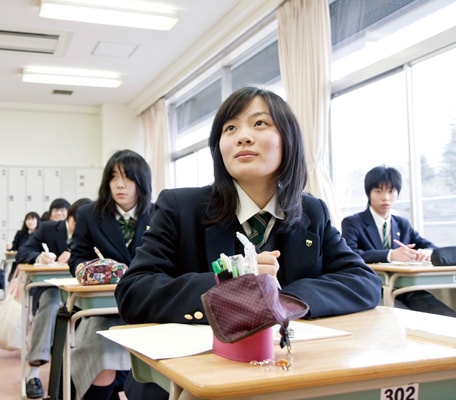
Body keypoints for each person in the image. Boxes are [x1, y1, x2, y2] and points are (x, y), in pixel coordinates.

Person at [114, 87, 382, 400]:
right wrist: (230, 287)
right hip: (190, 377)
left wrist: (277, 300)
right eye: (230, 128)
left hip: (291, 372)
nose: (243, 137)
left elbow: (364, 282)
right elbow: (133, 292)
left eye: (259, 124)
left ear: (288, 140)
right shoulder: (179, 207)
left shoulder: (312, 211)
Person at [69, 149, 154, 400]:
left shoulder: (159, 214)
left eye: (128, 177)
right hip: (103, 308)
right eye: (114, 177)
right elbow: (77, 259)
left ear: (141, 182)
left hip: (147, 306)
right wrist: (95, 271)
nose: (120, 184)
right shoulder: (90, 215)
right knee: (101, 349)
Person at [341, 165, 456, 316]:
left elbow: (426, 244)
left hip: (405, 287)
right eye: (378, 191)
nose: (385, 197)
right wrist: (390, 255)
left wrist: (427, 252)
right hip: (371, 288)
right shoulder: (353, 222)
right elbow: (350, 253)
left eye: (391, 191)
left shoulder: (402, 223)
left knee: (444, 317)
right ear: (368, 193)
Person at [15, 198, 92, 399]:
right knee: (51, 302)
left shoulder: (93, 231)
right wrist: (40, 258)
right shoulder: (49, 229)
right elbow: (23, 251)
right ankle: (34, 370)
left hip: (81, 293)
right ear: (71, 218)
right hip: (50, 288)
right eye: (80, 223)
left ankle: (86, 378)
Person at [6, 211, 40, 281]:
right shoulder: (20, 233)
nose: (30, 221)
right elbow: (14, 247)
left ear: (38, 220)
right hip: (20, 263)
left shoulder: (41, 234)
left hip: (35, 264)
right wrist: (9, 247)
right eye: (28, 219)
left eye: (33, 219)